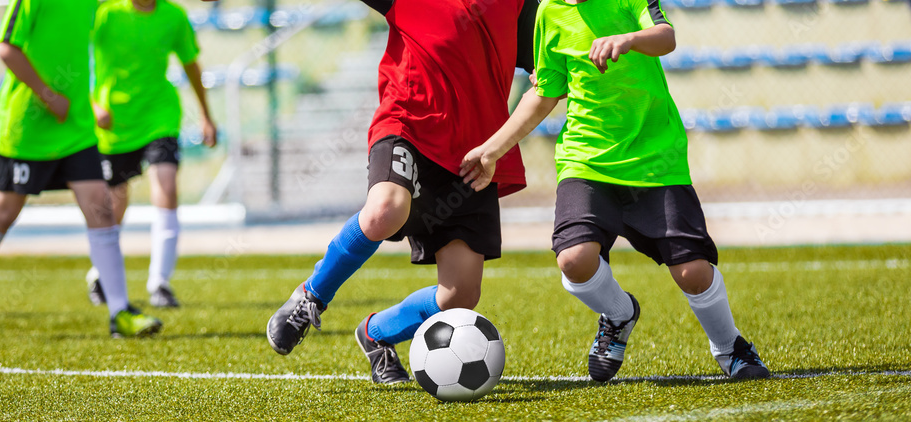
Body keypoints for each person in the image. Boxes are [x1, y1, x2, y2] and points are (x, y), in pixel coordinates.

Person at [459, 0, 770, 380]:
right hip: (586, 159)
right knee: (573, 259)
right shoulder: (548, 13)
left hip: (654, 158)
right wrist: (492, 150)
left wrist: (630, 39)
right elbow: (544, 91)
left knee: (692, 272)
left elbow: (665, 37)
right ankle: (620, 315)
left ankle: (731, 348)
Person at [265, 0, 538, 383]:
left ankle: (375, 333)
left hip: (475, 155)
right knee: (384, 211)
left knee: (460, 296)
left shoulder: (522, 3)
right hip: (409, 125)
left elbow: (547, 67)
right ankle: (311, 296)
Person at [0, 0, 162, 339]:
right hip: (30, 128)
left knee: (100, 207)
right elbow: (6, 48)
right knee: (3, 212)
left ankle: (120, 312)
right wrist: (48, 95)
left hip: (75, 127)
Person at [84, 0, 217, 309]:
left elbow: (191, 65)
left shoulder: (174, 16)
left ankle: (160, 283)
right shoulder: (105, 14)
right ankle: (100, 273)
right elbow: (75, 59)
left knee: (166, 185)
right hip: (114, 123)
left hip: (160, 116)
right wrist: (93, 106)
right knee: (114, 203)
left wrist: (206, 115)